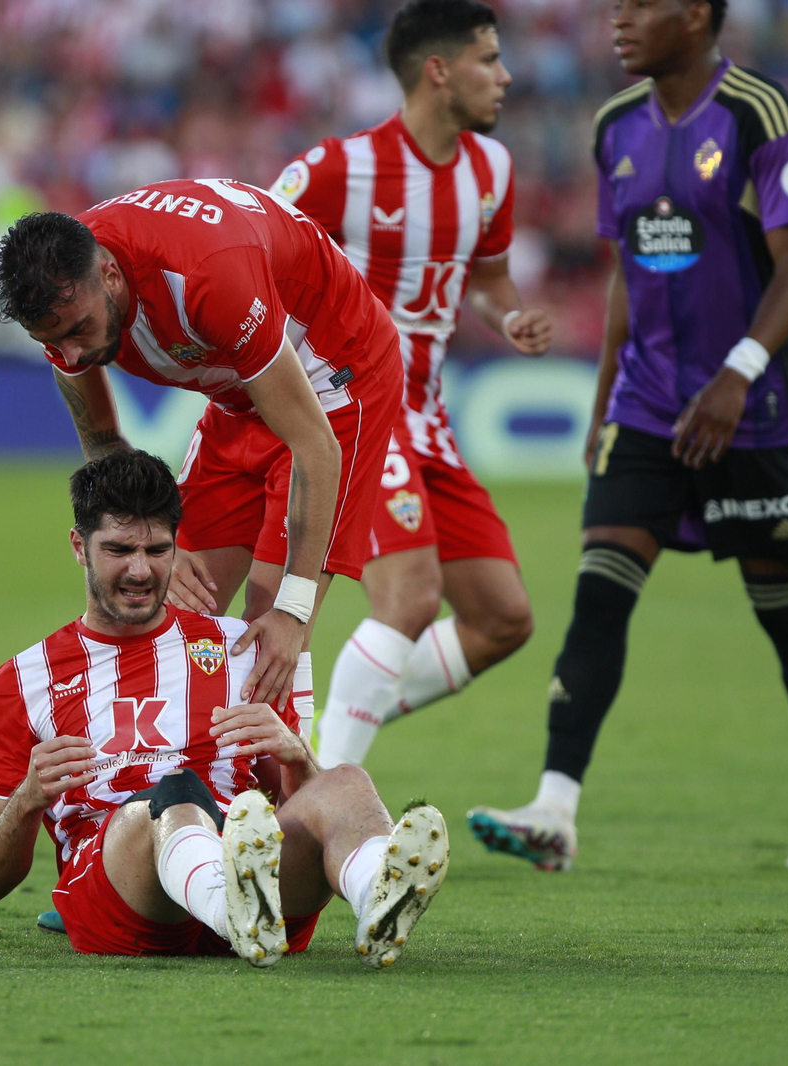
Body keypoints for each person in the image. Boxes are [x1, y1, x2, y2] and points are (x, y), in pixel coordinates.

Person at [467, 0, 788, 869]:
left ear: (694, 14)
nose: (618, 20)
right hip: (647, 407)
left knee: (782, 604)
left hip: (750, 411)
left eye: (640, 5)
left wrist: (738, 374)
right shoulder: (614, 125)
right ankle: (555, 809)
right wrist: (605, 402)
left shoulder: (762, 112)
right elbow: (627, 273)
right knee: (600, 591)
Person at [0, 450, 448, 968]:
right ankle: (230, 907)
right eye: (119, 549)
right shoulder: (23, 681)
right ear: (80, 546)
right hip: (123, 894)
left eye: (157, 550)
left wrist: (295, 759)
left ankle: (378, 896)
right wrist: (28, 799)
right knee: (173, 798)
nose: (140, 570)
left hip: (255, 881)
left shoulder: (241, 649)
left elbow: (296, 806)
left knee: (344, 782)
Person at [0, 179, 406, 736]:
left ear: (110, 275)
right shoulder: (64, 289)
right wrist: (158, 538)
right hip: (242, 392)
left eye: (79, 332)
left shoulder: (205, 277)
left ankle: (292, 791)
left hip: (336, 383)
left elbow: (315, 445)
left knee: (268, 631)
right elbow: (105, 444)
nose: (73, 354)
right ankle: (165, 785)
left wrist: (295, 609)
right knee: (165, 608)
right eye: (52, 343)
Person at [270, 0, 553, 768]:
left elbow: (488, 280)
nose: (505, 76)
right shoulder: (340, 169)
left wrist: (508, 316)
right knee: (411, 597)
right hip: (359, 409)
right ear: (439, 71)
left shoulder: (492, 171)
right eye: (488, 59)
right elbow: (249, 243)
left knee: (502, 617)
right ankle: (326, 794)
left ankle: (326, 738)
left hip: (428, 416)